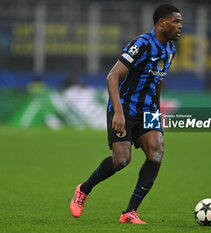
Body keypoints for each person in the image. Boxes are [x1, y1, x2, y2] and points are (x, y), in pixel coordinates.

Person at [69, 4, 182, 224]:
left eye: (180, 22)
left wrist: (157, 113)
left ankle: (129, 212)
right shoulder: (141, 44)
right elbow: (112, 76)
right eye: (176, 21)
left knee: (157, 151)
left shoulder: (170, 51)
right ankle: (83, 189)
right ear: (161, 23)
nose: (180, 26)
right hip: (123, 109)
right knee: (122, 160)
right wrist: (118, 114)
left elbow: (157, 82)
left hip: (147, 110)